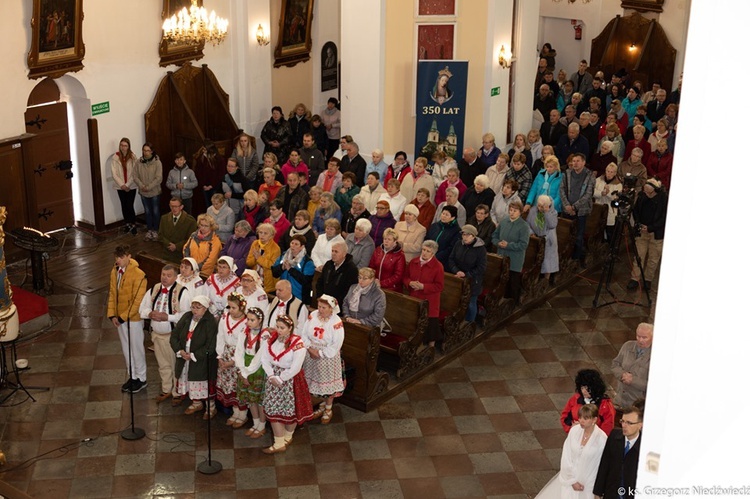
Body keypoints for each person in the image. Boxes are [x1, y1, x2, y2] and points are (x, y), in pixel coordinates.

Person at [257, 314, 315, 454]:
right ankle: (279, 442)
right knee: (273, 408)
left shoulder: (297, 343)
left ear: (290, 328)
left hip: (291, 379)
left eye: (282, 327)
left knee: (292, 409)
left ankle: (287, 437)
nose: (279, 330)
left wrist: (281, 378)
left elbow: (296, 366)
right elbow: (264, 358)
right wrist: (271, 375)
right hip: (273, 377)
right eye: (277, 327)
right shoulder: (271, 340)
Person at [139, 264, 190, 403]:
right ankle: (166, 389)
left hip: (172, 336)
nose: (165, 278)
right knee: (162, 365)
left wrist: (168, 317)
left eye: (168, 276)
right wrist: (150, 313)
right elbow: (142, 309)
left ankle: (177, 392)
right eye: (163, 275)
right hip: (156, 335)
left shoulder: (182, 292)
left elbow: (187, 315)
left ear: (175, 277)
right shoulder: (154, 289)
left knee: (175, 365)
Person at [536, 404, 607, 499]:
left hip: (587, 485)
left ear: (594, 420)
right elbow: (566, 456)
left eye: (585, 418)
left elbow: (599, 465)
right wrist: (572, 480)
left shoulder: (602, 439)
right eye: (580, 417)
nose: (581, 421)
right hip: (568, 478)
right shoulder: (574, 431)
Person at [107, 245, 148, 394]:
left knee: (136, 348)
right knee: (126, 348)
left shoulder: (139, 275)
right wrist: (112, 314)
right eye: (116, 257)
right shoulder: (115, 271)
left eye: (121, 257)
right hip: (120, 318)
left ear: (129, 256)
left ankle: (141, 378)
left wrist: (123, 317)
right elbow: (112, 293)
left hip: (133, 319)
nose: (118, 260)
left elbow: (138, 300)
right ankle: (133, 376)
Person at [171, 294, 218, 419]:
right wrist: (180, 350)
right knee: (189, 380)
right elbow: (174, 335)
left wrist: (193, 355)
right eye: (193, 307)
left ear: (205, 308)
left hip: (201, 360)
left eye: (198, 307)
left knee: (203, 383)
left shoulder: (210, 322)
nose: (194, 310)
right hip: (184, 356)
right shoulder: (187, 317)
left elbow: (211, 345)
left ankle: (210, 407)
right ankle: (196, 403)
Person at [302, 295, 346, 424]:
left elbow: (336, 344)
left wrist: (320, 353)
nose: (320, 310)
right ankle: (320, 404)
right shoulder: (313, 315)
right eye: (319, 306)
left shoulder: (336, 322)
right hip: (311, 353)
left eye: (324, 307)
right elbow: (304, 333)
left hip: (327, 357)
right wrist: (310, 349)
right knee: (313, 381)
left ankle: (328, 408)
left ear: (331, 309)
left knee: (327, 383)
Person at [593, 405, 644, 499]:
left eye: (629, 423)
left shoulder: (645, 446)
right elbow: (604, 464)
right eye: (623, 421)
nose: (624, 425)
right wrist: (598, 491)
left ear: (640, 425)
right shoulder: (614, 436)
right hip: (611, 493)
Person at [215, 292, 249, 427]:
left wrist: (233, 361)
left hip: (238, 356)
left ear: (241, 307)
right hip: (225, 353)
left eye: (234, 307)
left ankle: (242, 414)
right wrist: (220, 356)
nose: (230, 310)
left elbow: (245, 344)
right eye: (229, 307)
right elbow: (220, 336)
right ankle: (235, 412)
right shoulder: (225, 317)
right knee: (228, 386)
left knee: (238, 386)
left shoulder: (247, 322)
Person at [234, 307, 268, 438]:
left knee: (259, 400)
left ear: (260, 320)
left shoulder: (265, 335)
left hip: (257, 367)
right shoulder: (244, 331)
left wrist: (247, 372)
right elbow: (239, 351)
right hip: (245, 365)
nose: (248, 322)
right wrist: (241, 370)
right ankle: (255, 423)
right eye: (247, 319)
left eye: (252, 320)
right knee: (250, 399)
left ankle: (262, 425)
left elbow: (259, 357)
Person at [403, 240, 444, 347]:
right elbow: (405, 277)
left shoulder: (438, 266)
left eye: (428, 251)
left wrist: (423, 286)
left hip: (430, 301)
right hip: (415, 298)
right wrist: (410, 283)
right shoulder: (414, 262)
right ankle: (417, 345)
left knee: (430, 327)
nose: (424, 253)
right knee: (415, 324)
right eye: (423, 250)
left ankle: (431, 348)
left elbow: (439, 286)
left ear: (433, 253)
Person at [560, 153, 595, 267]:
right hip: (567, 209)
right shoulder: (567, 173)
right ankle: (566, 257)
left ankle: (576, 258)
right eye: (573, 161)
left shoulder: (589, 176)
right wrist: (567, 205)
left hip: (581, 211)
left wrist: (574, 207)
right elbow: (562, 189)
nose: (575, 163)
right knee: (565, 234)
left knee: (579, 236)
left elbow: (588, 194)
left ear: (583, 162)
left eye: (578, 161)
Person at [492, 200, 530, 304]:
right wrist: (498, 243)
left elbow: (523, 244)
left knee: (513, 282)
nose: (512, 212)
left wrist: (508, 245)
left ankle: (514, 303)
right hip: (502, 256)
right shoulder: (504, 221)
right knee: (501, 281)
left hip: (514, 259)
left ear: (520, 212)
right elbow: (494, 236)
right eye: (510, 210)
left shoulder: (524, 226)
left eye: (515, 211)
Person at [448, 225, 486, 322]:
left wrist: (467, 274)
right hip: (458, 277)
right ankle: (458, 322)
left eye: (467, 235)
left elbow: (481, 267)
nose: (464, 237)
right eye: (463, 234)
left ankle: (470, 324)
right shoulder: (458, 244)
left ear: (473, 236)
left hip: (473, 280)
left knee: (471, 303)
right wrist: (456, 270)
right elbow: (451, 259)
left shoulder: (480, 249)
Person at [560, 369, 615, 436]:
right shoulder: (575, 399)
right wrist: (572, 428)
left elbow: (607, 429)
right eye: (582, 388)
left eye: (587, 388)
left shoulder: (605, 405)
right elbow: (565, 418)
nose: (584, 391)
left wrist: (587, 432)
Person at [612, 323, 653, 408]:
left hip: (637, 403)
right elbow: (615, 364)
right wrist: (622, 375)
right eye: (638, 336)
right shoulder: (627, 346)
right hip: (619, 400)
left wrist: (633, 380)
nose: (640, 340)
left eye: (644, 337)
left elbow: (654, 385)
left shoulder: (656, 356)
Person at [272, 234, 315, 304]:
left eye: (296, 244)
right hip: (282, 294)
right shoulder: (283, 256)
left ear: (302, 246)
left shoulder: (307, 262)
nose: (293, 246)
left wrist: (291, 270)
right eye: (292, 243)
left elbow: (306, 281)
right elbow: (274, 273)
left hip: (298, 297)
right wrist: (282, 267)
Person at [316, 241, 359, 309]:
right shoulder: (328, 264)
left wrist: (333, 303)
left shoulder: (351, 269)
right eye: (332, 251)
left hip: (339, 306)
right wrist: (321, 298)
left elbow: (349, 291)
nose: (333, 254)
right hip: (323, 303)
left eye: (336, 252)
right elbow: (320, 282)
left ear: (344, 254)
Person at [109, 137, 139, 235]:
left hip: (131, 186)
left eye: (125, 145)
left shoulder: (133, 157)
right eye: (121, 145)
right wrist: (122, 185)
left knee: (130, 205)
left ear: (128, 146)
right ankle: (127, 224)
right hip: (120, 186)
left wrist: (127, 184)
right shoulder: (115, 157)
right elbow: (114, 173)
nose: (123, 147)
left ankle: (133, 224)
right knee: (124, 205)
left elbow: (135, 172)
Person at [526, 195, 559, 282]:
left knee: (548, 261)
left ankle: (546, 280)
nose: (540, 208)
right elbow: (527, 223)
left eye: (542, 206)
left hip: (548, 240)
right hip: (536, 238)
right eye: (539, 205)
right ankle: (535, 278)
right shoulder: (533, 210)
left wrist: (546, 212)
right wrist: (531, 233)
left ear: (547, 206)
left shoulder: (553, 213)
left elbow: (552, 225)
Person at [134, 142, 162, 241]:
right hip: (143, 191)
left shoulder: (157, 162)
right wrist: (142, 186)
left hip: (154, 191)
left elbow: (159, 178)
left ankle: (156, 230)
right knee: (147, 211)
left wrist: (149, 187)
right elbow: (135, 176)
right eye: (144, 150)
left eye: (148, 151)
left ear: (152, 151)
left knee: (155, 211)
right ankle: (149, 230)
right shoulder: (139, 162)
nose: (145, 153)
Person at [158, 197, 197, 263]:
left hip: (181, 254)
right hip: (167, 254)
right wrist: (168, 244)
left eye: (176, 206)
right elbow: (160, 236)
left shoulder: (190, 221)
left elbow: (191, 239)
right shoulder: (164, 218)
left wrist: (176, 246)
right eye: (171, 206)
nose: (173, 209)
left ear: (181, 207)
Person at [183, 214, 222, 278]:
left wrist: (195, 267)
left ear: (211, 227)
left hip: (204, 274)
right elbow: (186, 249)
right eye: (201, 225)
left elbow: (211, 260)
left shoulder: (215, 241)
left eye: (206, 226)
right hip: (189, 269)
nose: (203, 228)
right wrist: (189, 264)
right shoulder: (193, 235)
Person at [245, 223, 281, 293]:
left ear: (271, 236)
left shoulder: (276, 248)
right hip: (254, 279)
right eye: (260, 232)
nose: (262, 235)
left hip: (268, 283)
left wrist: (259, 258)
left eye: (265, 233)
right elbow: (248, 262)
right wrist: (255, 259)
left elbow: (272, 265)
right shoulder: (255, 243)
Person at [368, 228, 406, 292]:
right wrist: (373, 279)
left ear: (395, 241)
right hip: (375, 285)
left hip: (391, 289)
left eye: (389, 239)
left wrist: (381, 283)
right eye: (385, 239)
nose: (386, 241)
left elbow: (398, 276)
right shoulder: (378, 250)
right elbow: (371, 266)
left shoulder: (400, 255)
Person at [592, 163, 622, 242]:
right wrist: (601, 193)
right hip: (598, 207)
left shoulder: (618, 184)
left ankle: (610, 247)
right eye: (608, 171)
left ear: (615, 173)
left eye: (612, 172)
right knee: (598, 229)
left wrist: (608, 193)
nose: (609, 174)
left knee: (609, 231)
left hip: (610, 210)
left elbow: (616, 197)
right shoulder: (598, 180)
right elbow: (592, 191)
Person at [194, 142, 227, 214]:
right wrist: (203, 185)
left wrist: (212, 185)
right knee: (207, 206)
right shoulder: (201, 159)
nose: (203, 151)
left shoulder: (219, 160)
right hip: (204, 187)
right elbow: (198, 173)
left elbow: (220, 175)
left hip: (215, 187)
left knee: (215, 206)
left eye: (205, 150)